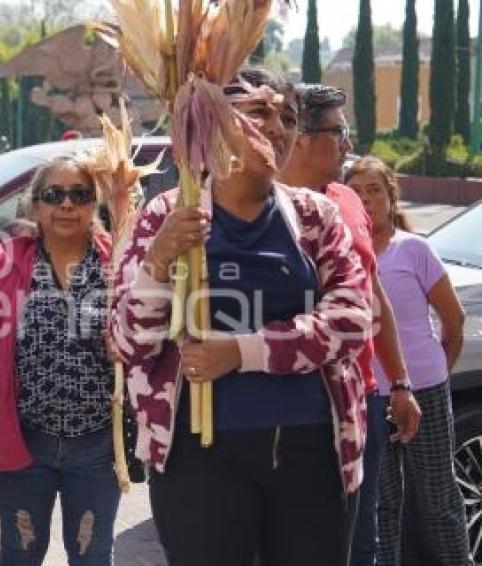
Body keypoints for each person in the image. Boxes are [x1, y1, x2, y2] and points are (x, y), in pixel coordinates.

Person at [111, 67, 370, 566]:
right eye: (259, 113)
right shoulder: (168, 213)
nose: (277, 127)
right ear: (215, 125)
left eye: (288, 117)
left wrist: (241, 351)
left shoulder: (316, 216)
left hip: (312, 449)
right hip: (198, 458)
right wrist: (159, 261)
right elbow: (130, 345)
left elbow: (352, 318)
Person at [278, 84, 421, 566]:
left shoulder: (347, 199)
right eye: (339, 132)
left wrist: (398, 382)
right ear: (299, 136)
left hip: (362, 395)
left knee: (362, 540)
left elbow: (373, 294)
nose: (348, 145)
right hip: (296, 405)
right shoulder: (262, 206)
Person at [0, 154, 121, 565]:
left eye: (80, 194)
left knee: (92, 556)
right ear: (35, 205)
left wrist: (126, 343)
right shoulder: (3, 265)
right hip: (25, 443)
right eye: (54, 195)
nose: (67, 205)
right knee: (19, 554)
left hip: (97, 447)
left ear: (95, 204)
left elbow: (149, 345)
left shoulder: (118, 266)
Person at [345, 156, 470, 565]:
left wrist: (433, 375)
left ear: (391, 195)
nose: (366, 200)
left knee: (438, 500)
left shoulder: (413, 250)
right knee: (381, 505)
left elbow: (453, 320)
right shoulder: (342, 254)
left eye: (374, 190)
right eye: (357, 192)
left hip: (424, 393)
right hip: (370, 397)